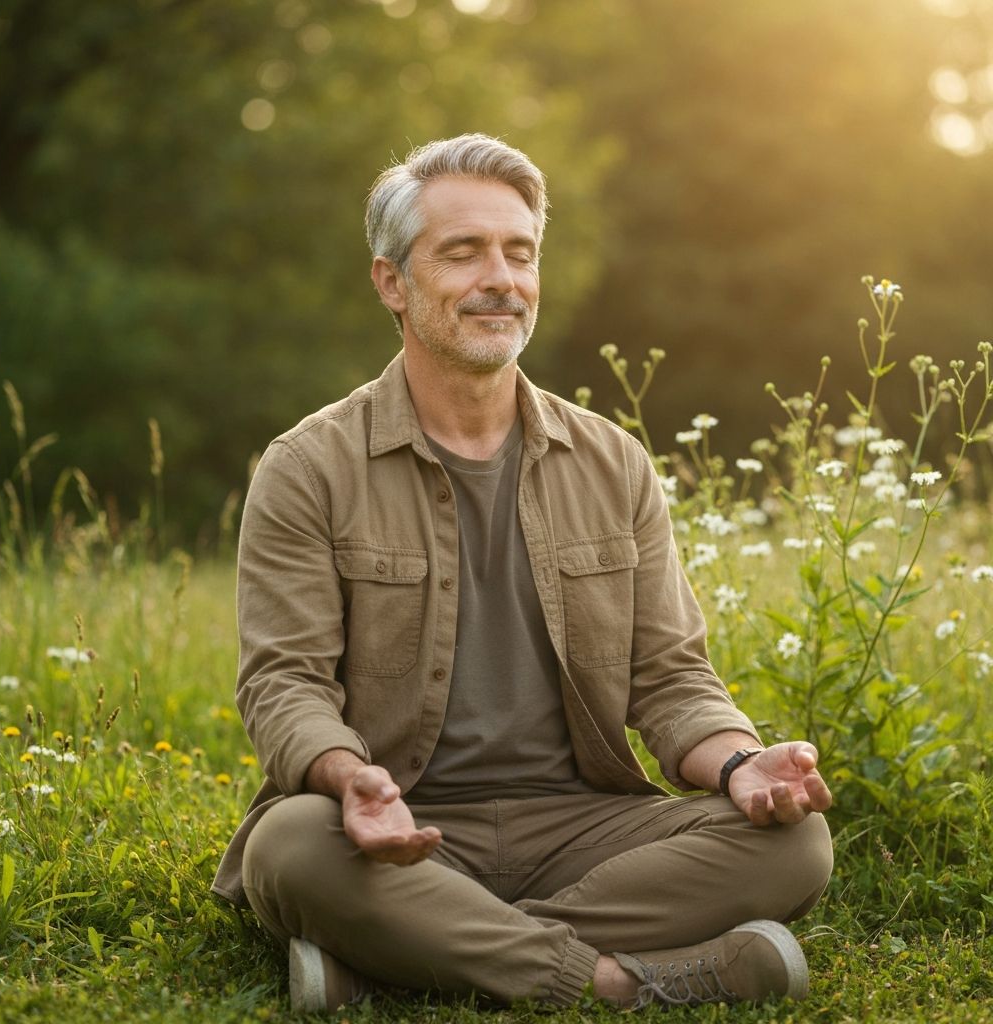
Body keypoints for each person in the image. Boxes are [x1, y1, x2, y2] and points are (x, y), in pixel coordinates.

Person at [211, 133, 834, 1013]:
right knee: (289, 846)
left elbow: (669, 677)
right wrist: (349, 780)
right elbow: (284, 684)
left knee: (796, 845)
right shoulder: (308, 466)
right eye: (462, 252)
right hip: (395, 825)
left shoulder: (612, 461)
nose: (500, 277)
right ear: (392, 281)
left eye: (520, 252)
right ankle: (617, 982)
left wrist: (741, 766)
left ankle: (401, 963)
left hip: (583, 824)